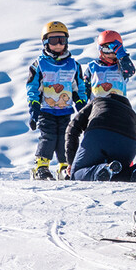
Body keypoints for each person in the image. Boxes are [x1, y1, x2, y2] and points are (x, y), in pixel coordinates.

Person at [25, 21, 90, 180]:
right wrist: (34, 108)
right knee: (49, 136)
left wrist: (81, 104)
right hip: (46, 110)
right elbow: (32, 87)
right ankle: (41, 166)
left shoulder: (73, 65)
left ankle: (64, 166)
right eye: (54, 40)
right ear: (46, 42)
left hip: (65, 110)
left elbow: (78, 87)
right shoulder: (39, 65)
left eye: (62, 40)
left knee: (65, 137)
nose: (59, 44)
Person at [64, 92, 136, 182]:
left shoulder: (98, 101)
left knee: (76, 174)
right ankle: (135, 171)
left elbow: (72, 128)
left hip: (99, 134)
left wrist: (71, 161)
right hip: (129, 144)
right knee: (117, 172)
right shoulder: (132, 114)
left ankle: (102, 170)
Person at [86, 30, 136, 99]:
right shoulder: (93, 67)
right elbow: (84, 87)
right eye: (107, 50)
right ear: (100, 50)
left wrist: (122, 55)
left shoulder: (121, 66)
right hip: (98, 106)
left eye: (114, 50)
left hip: (118, 106)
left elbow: (130, 71)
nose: (111, 54)